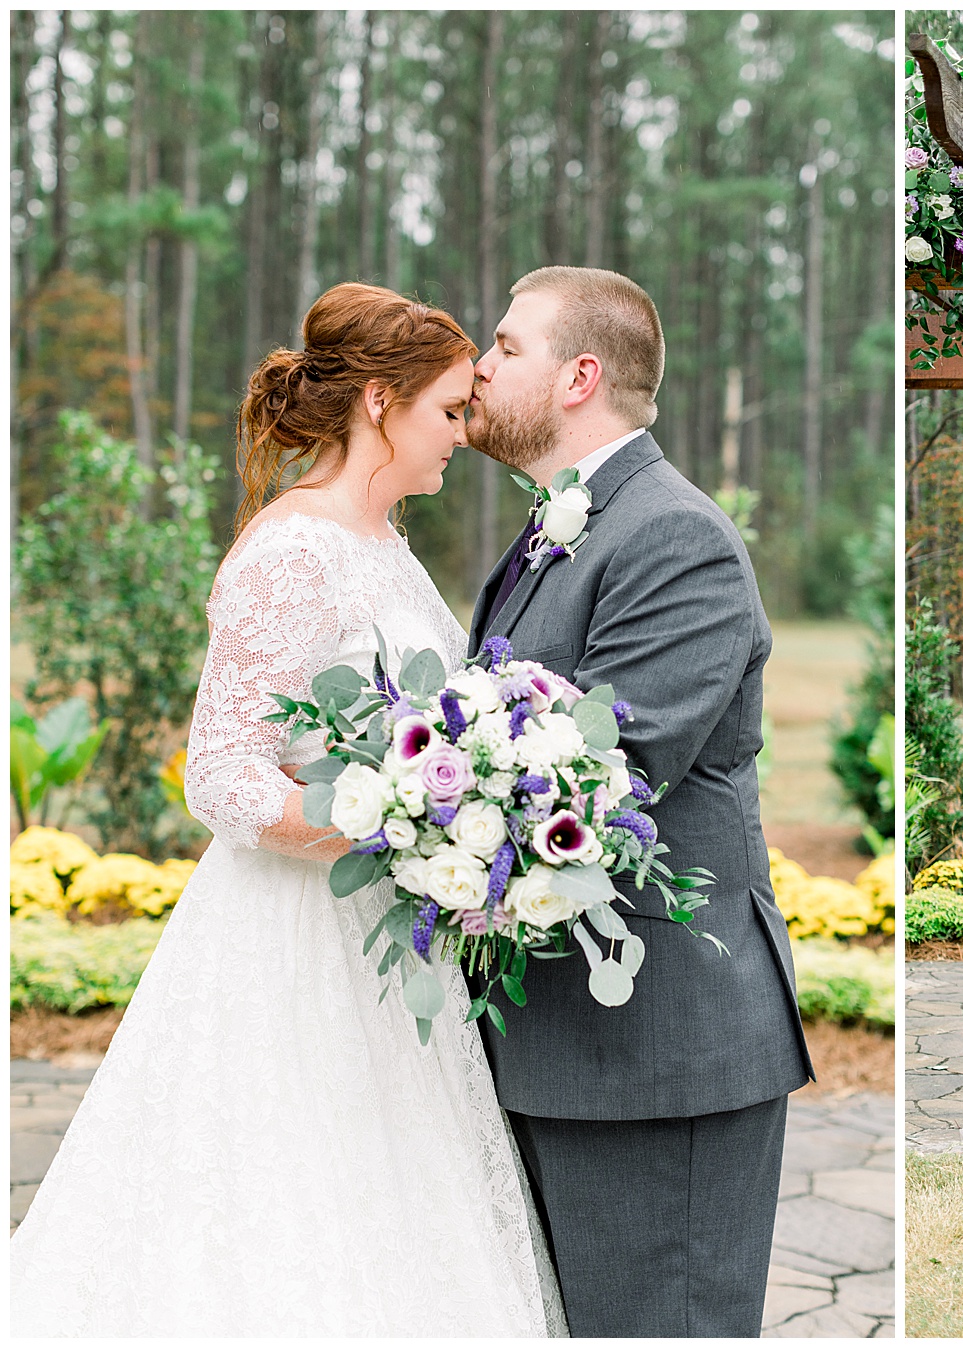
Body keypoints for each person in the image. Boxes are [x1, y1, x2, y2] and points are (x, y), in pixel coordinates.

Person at [11, 283, 565, 1334]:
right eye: (448, 409)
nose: (464, 431)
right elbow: (220, 772)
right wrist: (398, 827)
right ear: (377, 404)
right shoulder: (292, 550)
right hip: (290, 946)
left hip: (392, 949)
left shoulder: (386, 543)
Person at [461, 266, 813, 1338]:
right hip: (562, 1041)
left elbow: (599, 779)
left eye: (506, 346)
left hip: (657, 1049)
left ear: (580, 376)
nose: (479, 364)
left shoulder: (674, 536)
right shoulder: (560, 527)